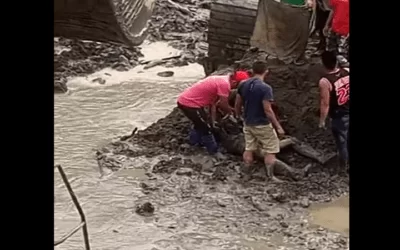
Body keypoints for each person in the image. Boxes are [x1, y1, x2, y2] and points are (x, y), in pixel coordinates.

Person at [235, 61, 289, 182]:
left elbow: (237, 104)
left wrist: (238, 116)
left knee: (249, 148)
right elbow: (268, 110)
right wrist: (278, 126)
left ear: (252, 71)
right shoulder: (265, 88)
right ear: (266, 71)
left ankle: (246, 174)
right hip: (262, 124)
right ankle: (270, 176)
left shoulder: (243, 84)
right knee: (271, 149)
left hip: (248, 123)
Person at [177, 71, 250, 154]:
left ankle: (194, 143)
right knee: (206, 128)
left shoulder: (221, 80)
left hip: (190, 102)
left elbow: (214, 104)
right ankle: (213, 151)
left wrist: (213, 121)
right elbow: (223, 104)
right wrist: (231, 113)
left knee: (200, 123)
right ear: (235, 82)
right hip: (189, 104)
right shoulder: (224, 84)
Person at [318, 51, 349, 173]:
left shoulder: (325, 82)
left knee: (342, 143)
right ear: (336, 62)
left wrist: (322, 121)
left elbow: (325, 103)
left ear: (323, 64)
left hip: (339, 114)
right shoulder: (347, 72)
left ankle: (343, 168)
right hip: (348, 108)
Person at [323, 0, 349, 67]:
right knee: (331, 50)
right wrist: (327, 25)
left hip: (345, 30)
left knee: (342, 53)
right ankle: (333, 69)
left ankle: (343, 72)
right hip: (334, 27)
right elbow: (333, 10)